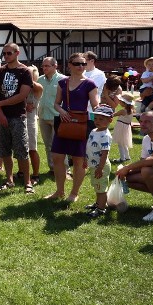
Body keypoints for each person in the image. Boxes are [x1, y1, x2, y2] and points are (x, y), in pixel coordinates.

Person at [44, 52, 100, 203]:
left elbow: (96, 105)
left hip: (81, 125)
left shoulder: (89, 84)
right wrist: (61, 111)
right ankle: (59, 191)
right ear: (69, 65)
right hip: (64, 124)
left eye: (83, 64)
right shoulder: (63, 83)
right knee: (57, 157)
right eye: (77, 64)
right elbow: (56, 103)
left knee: (78, 160)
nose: (81, 66)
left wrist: (102, 112)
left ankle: (74, 193)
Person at [0, 43, 34, 194]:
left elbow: (22, 95)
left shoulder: (24, 71)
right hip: (1, 115)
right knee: (4, 150)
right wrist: (0, 113)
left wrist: (0, 104)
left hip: (17, 116)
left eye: (9, 53)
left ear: (17, 53)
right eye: (4, 54)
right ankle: (9, 180)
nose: (6, 56)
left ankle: (28, 182)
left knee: (22, 149)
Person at [83, 104, 114, 218]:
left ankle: (101, 209)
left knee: (102, 189)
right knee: (97, 186)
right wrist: (86, 160)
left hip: (101, 166)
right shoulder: (94, 130)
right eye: (96, 118)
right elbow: (90, 146)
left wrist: (100, 168)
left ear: (110, 120)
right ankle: (98, 204)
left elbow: (104, 153)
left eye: (101, 119)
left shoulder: (105, 135)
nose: (97, 121)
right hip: (93, 165)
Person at [38, 57, 64, 175]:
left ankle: (65, 169)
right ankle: (52, 169)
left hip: (57, 117)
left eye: (47, 66)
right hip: (43, 117)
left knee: (59, 146)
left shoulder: (63, 80)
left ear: (55, 66)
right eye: (43, 66)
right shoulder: (39, 80)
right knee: (48, 145)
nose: (44, 68)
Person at [24, 65, 44, 186]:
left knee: (32, 149)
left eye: (27, 73)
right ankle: (22, 171)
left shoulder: (37, 88)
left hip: (30, 122)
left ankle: (36, 174)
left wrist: (28, 77)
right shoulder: (22, 88)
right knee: (21, 149)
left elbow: (35, 86)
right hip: (20, 120)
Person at [111, 92, 135, 163]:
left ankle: (122, 158)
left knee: (120, 143)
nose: (119, 102)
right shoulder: (131, 110)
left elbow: (114, 115)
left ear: (124, 103)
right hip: (126, 127)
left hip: (121, 127)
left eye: (121, 101)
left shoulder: (123, 111)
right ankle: (127, 156)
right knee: (124, 143)